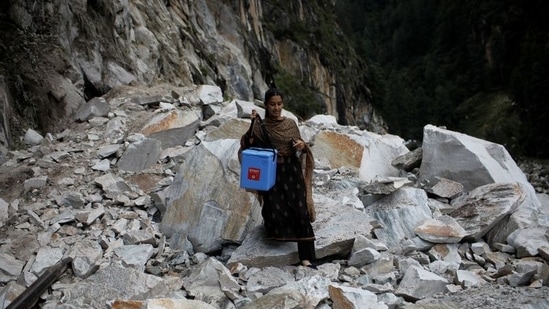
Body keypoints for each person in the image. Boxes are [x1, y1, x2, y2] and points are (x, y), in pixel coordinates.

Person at [239, 88, 317, 268]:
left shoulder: (290, 124)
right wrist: (252, 124)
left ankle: (306, 257)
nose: (276, 108)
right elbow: (248, 145)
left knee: (300, 211)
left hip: (291, 171)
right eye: (272, 104)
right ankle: (277, 243)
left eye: (279, 104)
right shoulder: (261, 126)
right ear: (266, 105)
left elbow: (300, 145)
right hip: (271, 172)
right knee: (274, 209)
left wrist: (302, 145)